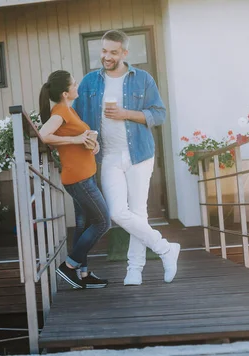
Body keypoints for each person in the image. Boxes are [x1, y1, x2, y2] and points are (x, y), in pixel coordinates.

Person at [73, 29, 180, 286]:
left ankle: (135, 269)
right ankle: (165, 248)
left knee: (138, 211)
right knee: (118, 212)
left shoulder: (142, 78)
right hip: (107, 155)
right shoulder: (90, 82)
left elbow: (159, 114)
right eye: (103, 51)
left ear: (124, 53)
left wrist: (125, 114)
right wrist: (82, 138)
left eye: (112, 52)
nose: (106, 56)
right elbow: (75, 118)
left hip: (139, 154)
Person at [38, 70, 111, 289]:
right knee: (103, 222)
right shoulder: (60, 111)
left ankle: (83, 273)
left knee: (84, 223)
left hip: (84, 175)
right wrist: (75, 138)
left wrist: (92, 144)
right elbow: (43, 135)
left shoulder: (69, 110)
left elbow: (77, 141)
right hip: (79, 179)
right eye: (74, 83)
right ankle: (68, 267)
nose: (77, 85)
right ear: (65, 92)